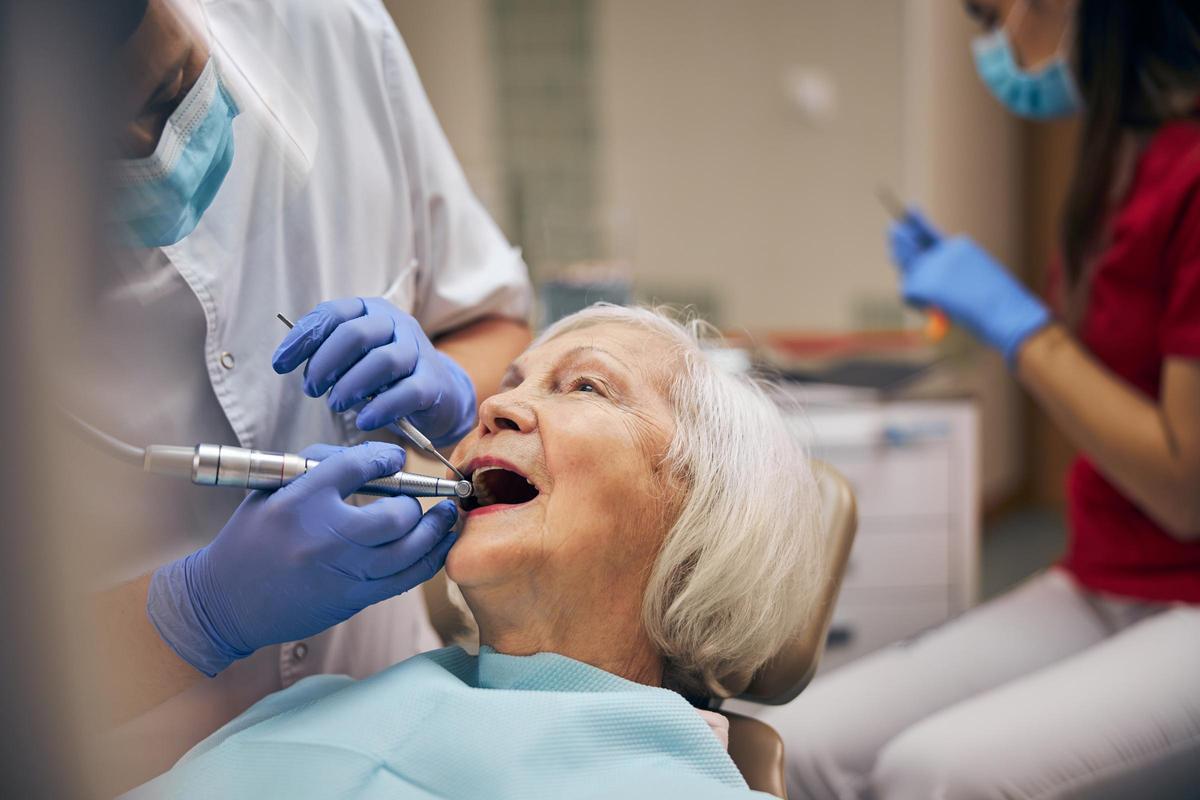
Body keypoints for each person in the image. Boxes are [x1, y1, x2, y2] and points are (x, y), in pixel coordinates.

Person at [756, 1, 1200, 797]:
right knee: (795, 746)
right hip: (1106, 575)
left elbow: (1185, 491)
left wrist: (1018, 325)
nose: (992, 46)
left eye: (993, 15)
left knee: (934, 775)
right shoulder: (1119, 160)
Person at [87, 0, 532, 788]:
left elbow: (497, 322)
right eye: (83, 140)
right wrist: (192, 613)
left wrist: (458, 385)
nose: (148, 152)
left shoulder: (328, 31)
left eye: (168, 93)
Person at [118, 305, 825, 799]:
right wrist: (197, 613)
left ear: (704, 507)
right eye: (511, 382)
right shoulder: (319, 704)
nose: (492, 408)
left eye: (585, 386)